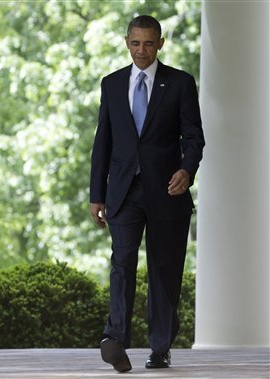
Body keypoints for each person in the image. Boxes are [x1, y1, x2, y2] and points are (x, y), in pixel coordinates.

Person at [89, 15, 205, 372]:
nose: (142, 50)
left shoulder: (181, 83)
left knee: (164, 270)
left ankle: (160, 347)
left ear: (160, 43)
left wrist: (187, 170)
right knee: (121, 264)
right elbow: (102, 142)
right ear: (127, 42)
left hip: (168, 191)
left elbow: (193, 137)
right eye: (136, 43)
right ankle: (115, 339)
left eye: (149, 43)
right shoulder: (111, 84)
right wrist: (97, 195)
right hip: (123, 192)